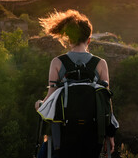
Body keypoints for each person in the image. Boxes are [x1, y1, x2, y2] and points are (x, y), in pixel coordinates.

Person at [35, 9, 115, 158]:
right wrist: (110, 135)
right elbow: (106, 103)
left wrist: (39, 104)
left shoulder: (57, 63)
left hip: (63, 137)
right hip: (93, 137)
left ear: (69, 40)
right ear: (89, 39)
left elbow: (50, 100)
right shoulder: (101, 64)